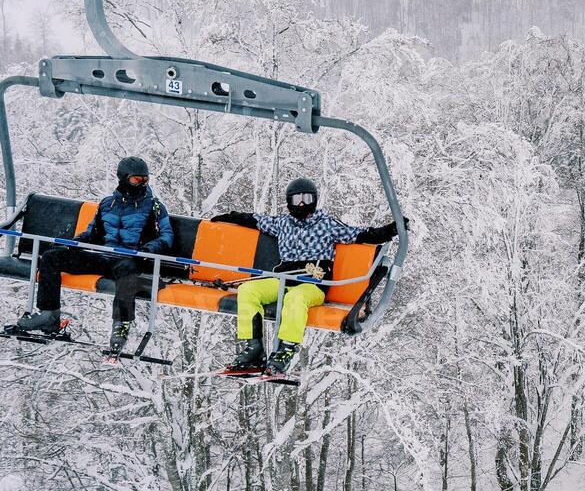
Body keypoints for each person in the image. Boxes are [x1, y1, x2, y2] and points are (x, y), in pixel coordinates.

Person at [213, 177, 402, 374]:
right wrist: (230, 217)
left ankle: (285, 350)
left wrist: (391, 230)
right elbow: (255, 220)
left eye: (306, 198)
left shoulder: (326, 224)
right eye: (297, 200)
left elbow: (359, 234)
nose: (302, 204)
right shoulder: (282, 223)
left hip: (312, 284)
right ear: (289, 202)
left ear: (315, 199)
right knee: (249, 290)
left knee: (295, 298)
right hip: (283, 280)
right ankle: (254, 349)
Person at [13, 157, 174, 352]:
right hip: (103, 257)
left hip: (132, 259)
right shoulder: (107, 204)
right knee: (51, 257)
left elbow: (167, 236)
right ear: (124, 178)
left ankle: (121, 325)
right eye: (136, 180)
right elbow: (93, 232)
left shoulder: (154, 206)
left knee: (127, 269)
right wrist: (77, 242)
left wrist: (148, 249)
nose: (142, 184)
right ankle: (49, 314)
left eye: (145, 180)